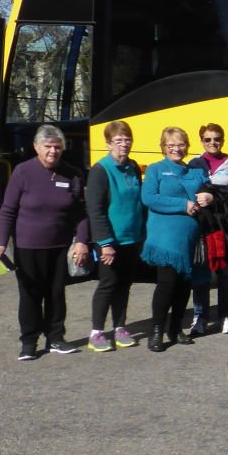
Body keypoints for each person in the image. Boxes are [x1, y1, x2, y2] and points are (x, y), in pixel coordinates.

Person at [0, 125, 90, 360]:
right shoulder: (23, 172)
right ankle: (29, 342)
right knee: (30, 295)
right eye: (48, 146)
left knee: (56, 294)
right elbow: (8, 210)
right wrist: (1, 243)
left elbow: (81, 213)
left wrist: (82, 242)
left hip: (59, 246)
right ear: (36, 147)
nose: (53, 151)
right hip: (28, 247)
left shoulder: (72, 174)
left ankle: (56, 338)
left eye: (57, 147)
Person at [141, 127, 213, 352]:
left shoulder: (195, 172)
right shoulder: (156, 169)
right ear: (163, 147)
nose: (176, 149)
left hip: (189, 236)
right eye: (171, 145)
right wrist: (183, 205)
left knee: (184, 284)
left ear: (187, 146)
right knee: (167, 283)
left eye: (180, 144)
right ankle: (156, 331)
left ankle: (175, 328)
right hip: (164, 237)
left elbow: (209, 191)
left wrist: (209, 197)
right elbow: (149, 198)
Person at [84, 121, 144, 352]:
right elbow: (95, 210)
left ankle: (120, 327)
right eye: (118, 141)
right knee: (108, 284)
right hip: (110, 241)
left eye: (127, 140)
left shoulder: (133, 167)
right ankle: (97, 332)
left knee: (124, 285)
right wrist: (105, 243)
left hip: (132, 238)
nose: (124, 144)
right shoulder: (101, 170)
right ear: (108, 144)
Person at [187, 122, 228, 336]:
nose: (213, 142)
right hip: (202, 227)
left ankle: (226, 316)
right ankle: (200, 317)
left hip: (225, 226)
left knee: (226, 272)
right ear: (201, 141)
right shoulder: (194, 163)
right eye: (207, 139)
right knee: (201, 273)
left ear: (223, 140)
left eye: (217, 139)